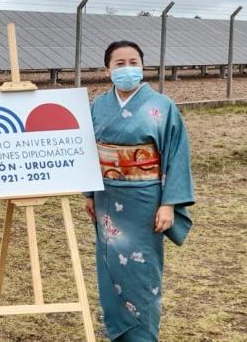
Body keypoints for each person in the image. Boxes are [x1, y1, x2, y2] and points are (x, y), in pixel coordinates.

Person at [84, 40, 195, 341]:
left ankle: (144, 336)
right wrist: (89, 195)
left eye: (134, 62)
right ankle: (119, 332)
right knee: (110, 268)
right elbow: (88, 152)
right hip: (108, 199)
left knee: (143, 272)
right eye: (120, 64)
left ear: (142, 67)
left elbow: (175, 154)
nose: (127, 68)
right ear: (107, 69)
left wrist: (169, 203)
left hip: (146, 201)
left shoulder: (162, 106)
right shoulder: (97, 106)